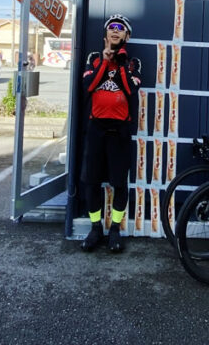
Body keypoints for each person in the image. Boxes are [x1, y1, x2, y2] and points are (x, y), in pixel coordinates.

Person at [79, 14, 142, 253]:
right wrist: (105, 62)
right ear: (105, 35)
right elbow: (89, 86)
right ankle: (96, 228)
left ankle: (115, 229)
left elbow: (129, 89)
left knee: (119, 183)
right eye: (111, 28)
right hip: (96, 129)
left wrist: (122, 62)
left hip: (120, 131)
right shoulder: (94, 58)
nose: (115, 31)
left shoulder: (133, 62)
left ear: (126, 36)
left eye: (121, 28)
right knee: (91, 181)